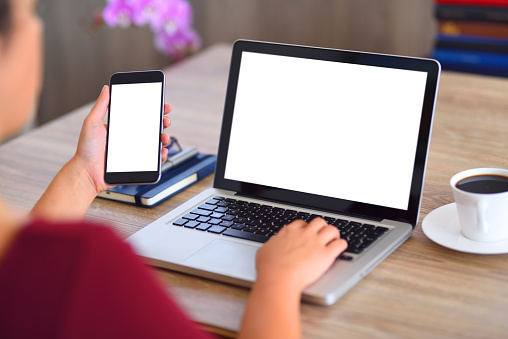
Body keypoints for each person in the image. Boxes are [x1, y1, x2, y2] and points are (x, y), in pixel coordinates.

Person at [0, 0, 348, 338]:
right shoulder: (88, 262)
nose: (34, 30)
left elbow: (28, 267)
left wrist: (84, 173)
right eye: (30, 15)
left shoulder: (24, 257)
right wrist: (279, 279)